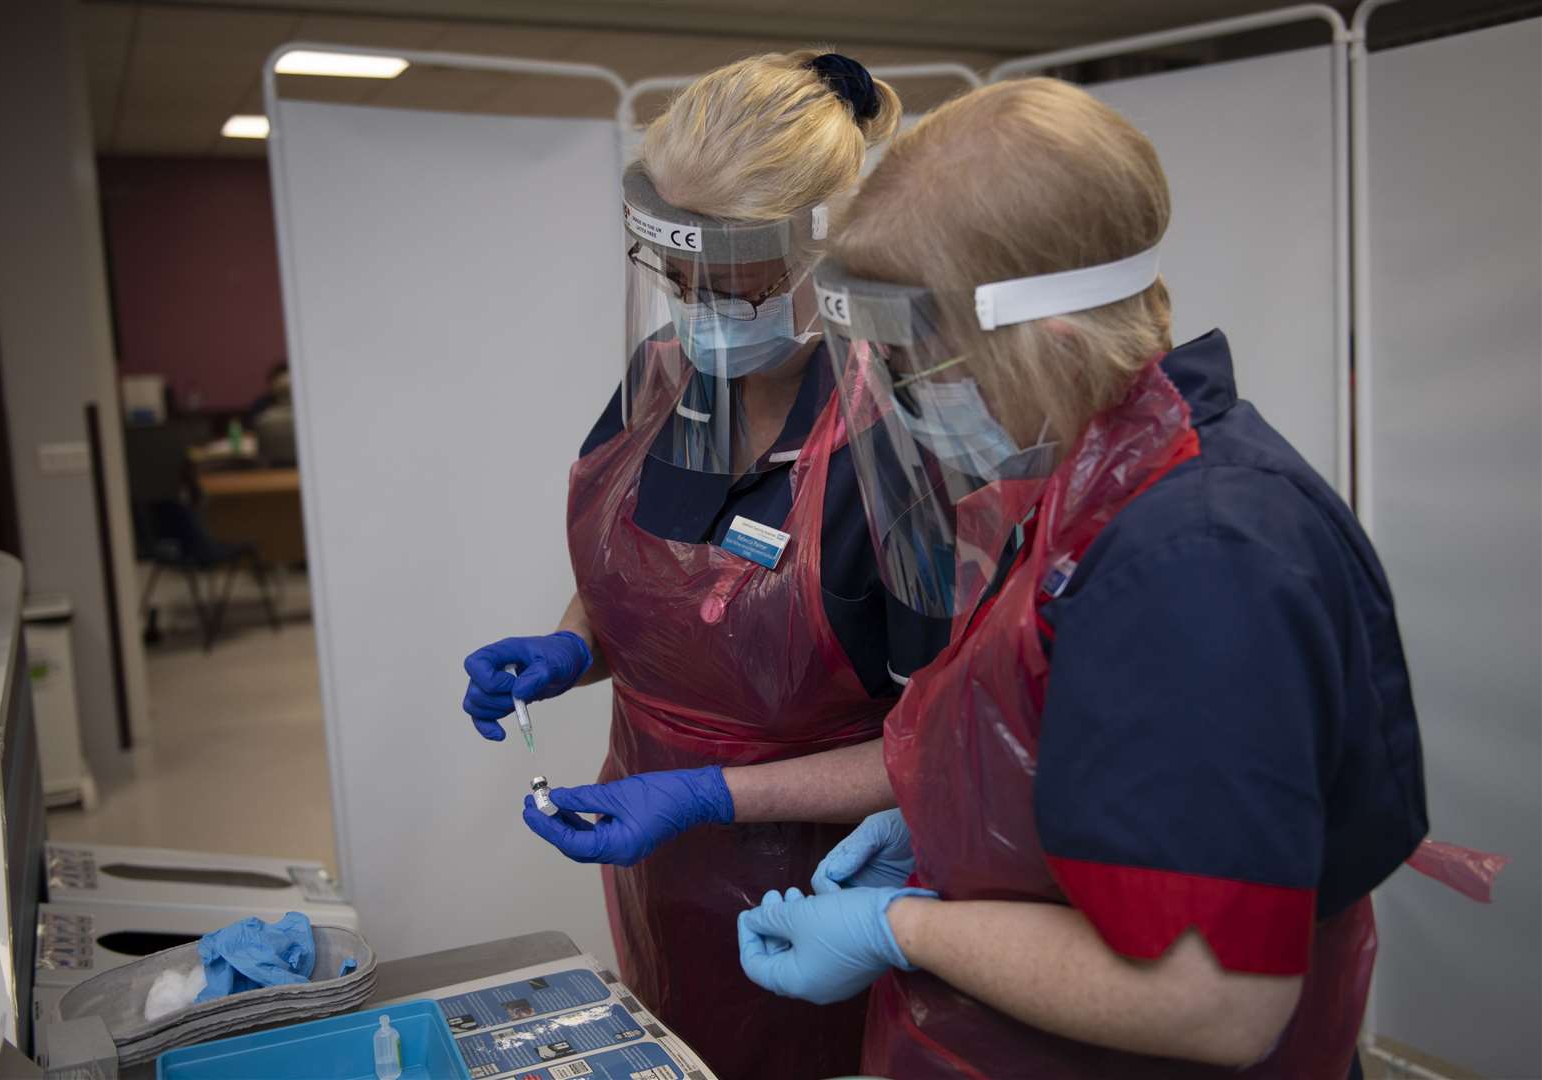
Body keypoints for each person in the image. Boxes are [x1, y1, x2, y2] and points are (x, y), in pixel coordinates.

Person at [530, 78, 1480, 1076]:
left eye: (921, 367)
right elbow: (1070, 747)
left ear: (1051, 343)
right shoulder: (1094, 488)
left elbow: (1214, 1002)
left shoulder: (1198, 562)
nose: (897, 399)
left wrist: (902, 928)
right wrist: (936, 821)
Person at [463, 52, 947, 1079]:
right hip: (657, 858)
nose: (698, 313)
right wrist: (571, 645)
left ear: (833, 249)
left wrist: (707, 794)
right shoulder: (663, 385)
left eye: (733, 286)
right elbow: (649, 585)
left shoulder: (903, 440)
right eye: (677, 281)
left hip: (828, 897)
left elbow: (938, 754)